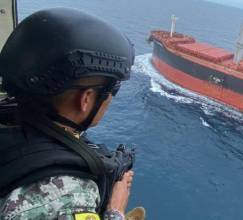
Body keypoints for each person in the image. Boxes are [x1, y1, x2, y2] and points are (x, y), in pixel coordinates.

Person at [0, 8, 140, 220]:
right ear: (86, 99)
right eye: (113, 89)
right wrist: (115, 211)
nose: (111, 98)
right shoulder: (69, 194)